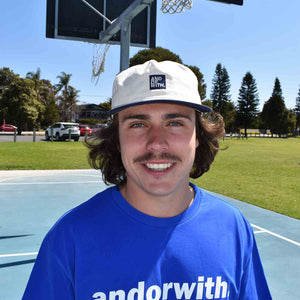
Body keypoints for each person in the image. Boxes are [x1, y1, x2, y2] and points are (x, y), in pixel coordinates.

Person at [23, 60, 272, 300]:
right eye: (138, 124)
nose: (156, 143)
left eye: (174, 123)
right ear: (117, 140)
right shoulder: (70, 238)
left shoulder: (232, 227)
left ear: (197, 136)